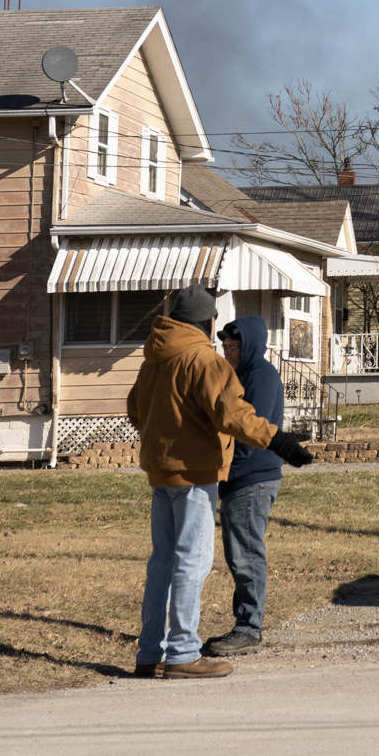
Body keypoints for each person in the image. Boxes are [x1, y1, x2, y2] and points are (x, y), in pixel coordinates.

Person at [126, 285, 314, 680]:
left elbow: (134, 411)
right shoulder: (203, 361)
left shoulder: (152, 360)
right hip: (195, 476)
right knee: (191, 562)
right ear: (208, 322)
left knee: (162, 561)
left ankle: (150, 653)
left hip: (160, 474)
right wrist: (280, 442)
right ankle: (181, 653)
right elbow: (235, 415)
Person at [205, 313, 289, 657]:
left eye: (235, 347)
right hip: (242, 478)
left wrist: (227, 470)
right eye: (225, 346)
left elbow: (254, 434)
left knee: (246, 554)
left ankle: (248, 628)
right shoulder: (239, 375)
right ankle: (245, 623)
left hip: (253, 479)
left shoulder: (261, 377)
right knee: (239, 552)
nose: (229, 353)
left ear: (251, 345)